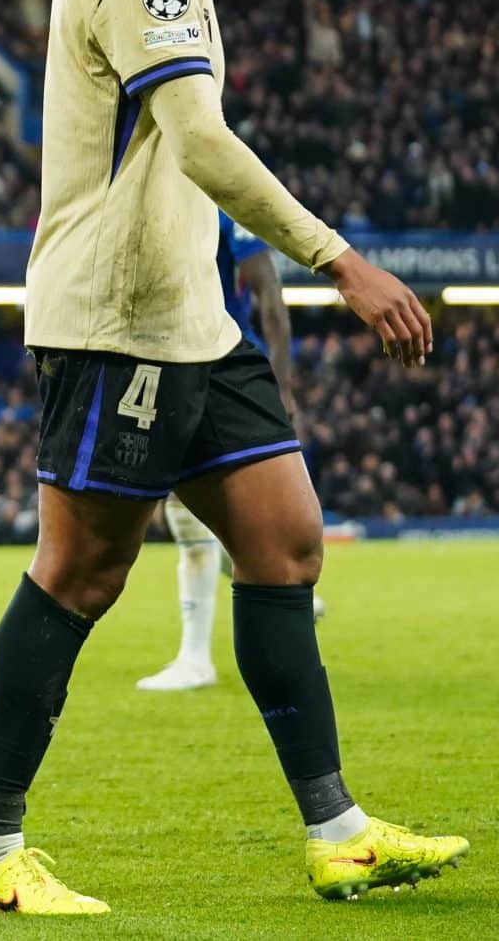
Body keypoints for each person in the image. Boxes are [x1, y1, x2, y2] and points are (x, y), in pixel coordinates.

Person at [0, 0, 465, 915]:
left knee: (283, 545)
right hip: (116, 320)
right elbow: (199, 141)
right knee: (79, 574)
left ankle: (336, 831)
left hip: (193, 320)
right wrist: (340, 260)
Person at [139, 211, 319, 692]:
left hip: (218, 366)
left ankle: (196, 657)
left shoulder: (220, 200)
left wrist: (282, 385)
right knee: (202, 513)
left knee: (187, 514)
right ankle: (281, 581)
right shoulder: (159, 195)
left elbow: (268, 289)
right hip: (174, 360)